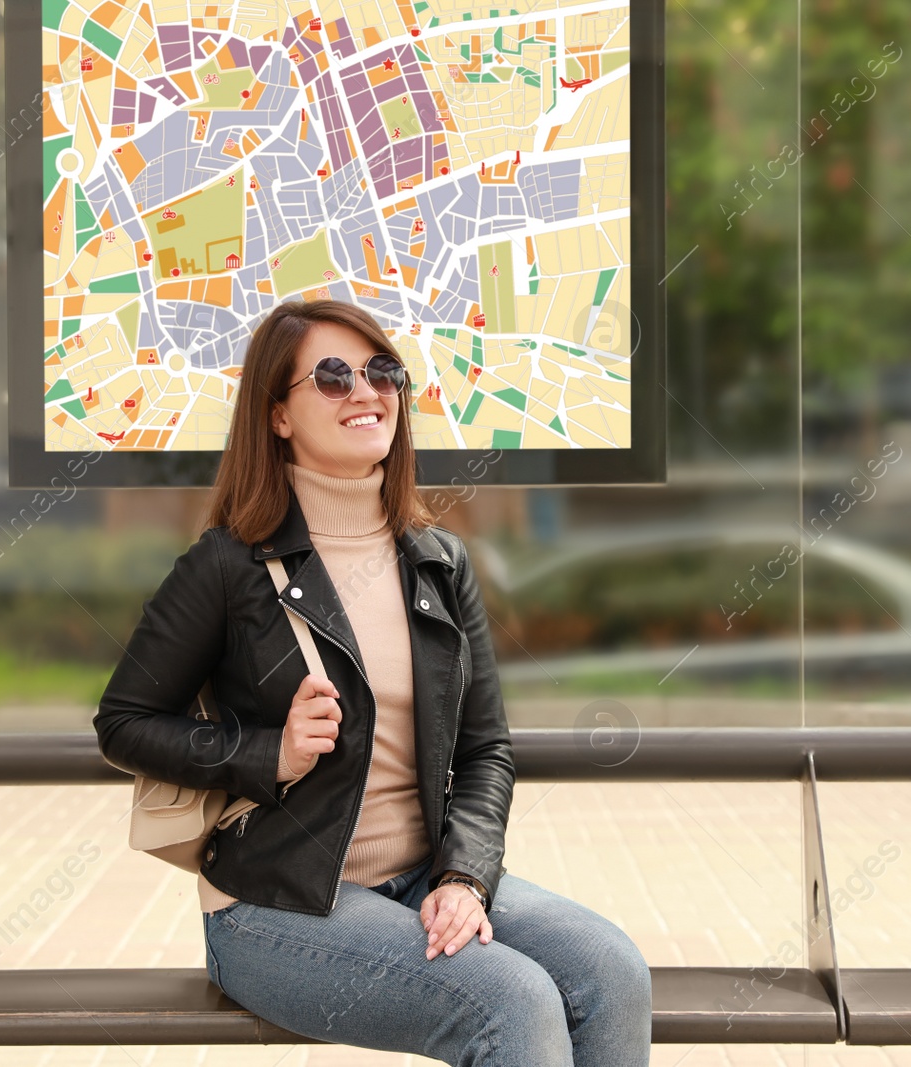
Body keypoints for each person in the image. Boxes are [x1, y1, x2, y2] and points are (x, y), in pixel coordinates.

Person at [93, 300, 652, 1065]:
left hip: (423, 875)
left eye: (381, 371)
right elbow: (123, 719)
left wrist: (463, 876)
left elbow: (486, 748)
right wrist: (267, 753)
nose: (366, 391)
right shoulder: (228, 566)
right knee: (511, 1001)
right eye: (332, 376)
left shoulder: (439, 562)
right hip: (274, 903)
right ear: (278, 415)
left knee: (613, 972)